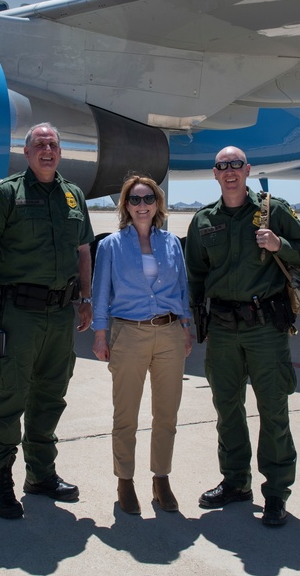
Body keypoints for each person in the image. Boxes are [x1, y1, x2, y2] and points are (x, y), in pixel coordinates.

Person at [184, 146, 300, 527]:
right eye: (222, 166)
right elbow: (195, 275)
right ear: (215, 173)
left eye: (236, 166)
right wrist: (192, 322)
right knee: (227, 409)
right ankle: (235, 482)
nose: (230, 172)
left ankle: (275, 492)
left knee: (273, 410)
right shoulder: (203, 220)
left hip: (264, 328)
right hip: (223, 328)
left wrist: (280, 245)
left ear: (248, 170)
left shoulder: (273, 210)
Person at [0, 122, 94, 520]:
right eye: (39, 144)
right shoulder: (5, 192)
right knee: (10, 394)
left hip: (59, 314)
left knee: (51, 395)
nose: (47, 150)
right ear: (26, 153)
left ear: (60, 152)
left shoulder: (73, 195)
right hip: (17, 313)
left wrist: (86, 298)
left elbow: (84, 251)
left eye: (53, 144)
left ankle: (40, 473)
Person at [91, 175, 193, 515]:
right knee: (126, 416)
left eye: (148, 198)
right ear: (125, 205)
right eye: (134, 200)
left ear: (157, 203)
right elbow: (101, 293)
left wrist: (186, 327)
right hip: (128, 334)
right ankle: (125, 480)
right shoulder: (111, 246)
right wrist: (100, 334)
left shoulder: (171, 243)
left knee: (167, 413)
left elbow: (182, 288)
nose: (142, 205)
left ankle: (161, 478)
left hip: (169, 333)